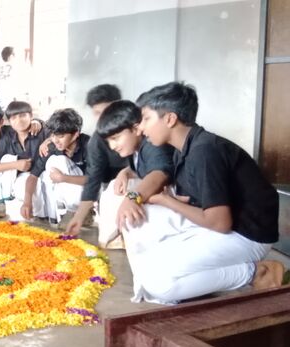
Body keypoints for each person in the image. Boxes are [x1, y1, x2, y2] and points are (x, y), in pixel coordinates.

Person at [124, 82, 283, 304]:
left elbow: (220, 222)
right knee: (141, 238)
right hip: (221, 225)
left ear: (170, 119)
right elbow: (200, 200)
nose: (141, 128)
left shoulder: (205, 151)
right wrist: (168, 200)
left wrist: (168, 201)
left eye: (146, 119)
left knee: (158, 284)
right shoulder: (185, 148)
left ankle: (255, 272)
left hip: (248, 236)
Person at [87, 100, 174, 248]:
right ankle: (113, 242)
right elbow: (142, 167)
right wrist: (125, 172)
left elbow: (159, 174)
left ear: (136, 129)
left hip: (179, 205)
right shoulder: (135, 149)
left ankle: (119, 241)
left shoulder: (151, 143)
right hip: (161, 198)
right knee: (113, 189)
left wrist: (132, 198)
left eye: (115, 138)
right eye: (108, 141)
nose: (112, 146)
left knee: (128, 210)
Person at [63, 84, 131, 242]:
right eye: (97, 113)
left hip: (143, 185)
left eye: (106, 111)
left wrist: (127, 172)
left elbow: (155, 169)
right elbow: (93, 178)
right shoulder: (96, 141)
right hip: (112, 187)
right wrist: (79, 217)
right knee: (108, 233)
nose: (102, 118)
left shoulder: (139, 130)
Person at [0, 101, 48, 221]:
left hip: (43, 175)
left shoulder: (42, 132)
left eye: (23, 115)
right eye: (14, 118)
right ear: (9, 121)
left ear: (31, 116)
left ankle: (45, 218)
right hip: (22, 179)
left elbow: (57, 131)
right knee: (20, 183)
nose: (19, 120)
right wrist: (15, 164)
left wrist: (48, 140)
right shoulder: (8, 138)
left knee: (41, 182)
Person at [28, 109, 90, 223]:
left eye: (60, 136)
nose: (55, 140)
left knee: (59, 161)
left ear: (75, 134)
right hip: (66, 193)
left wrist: (63, 178)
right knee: (48, 168)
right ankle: (55, 216)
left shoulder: (89, 145)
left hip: (89, 192)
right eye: (52, 135)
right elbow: (33, 176)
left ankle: (83, 212)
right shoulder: (51, 146)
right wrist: (27, 203)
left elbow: (95, 179)